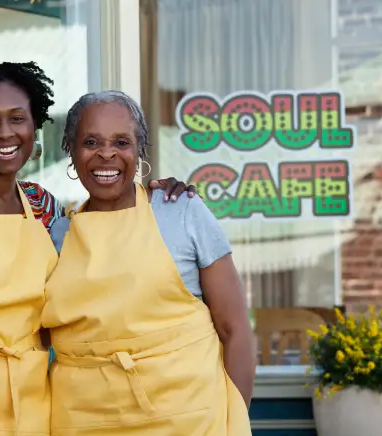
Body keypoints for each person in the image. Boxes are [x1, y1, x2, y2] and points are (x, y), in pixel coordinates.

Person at [0, 63, 196, 436]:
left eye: (17, 118)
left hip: (33, 410)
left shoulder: (42, 206)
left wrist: (155, 192)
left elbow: (98, 252)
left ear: (34, 126)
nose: (5, 133)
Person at [43, 90, 256, 435]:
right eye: (91, 141)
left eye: (122, 142)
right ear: (71, 151)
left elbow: (235, 330)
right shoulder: (56, 235)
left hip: (192, 420)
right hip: (82, 421)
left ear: (140, 149)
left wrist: (236, 419)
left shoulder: (182, 211)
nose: (107, 153)